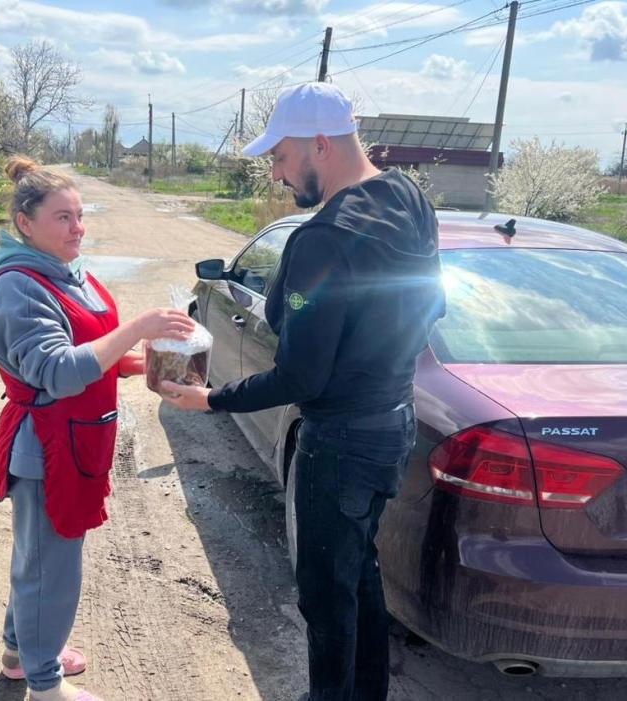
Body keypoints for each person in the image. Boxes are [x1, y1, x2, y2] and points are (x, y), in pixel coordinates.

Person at [161, 82, 445, 701]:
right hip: (394, 423)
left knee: (326, 599)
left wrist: (210, 399)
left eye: (281, 157)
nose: (277, 173)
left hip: (340, 442)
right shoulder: (408, 198)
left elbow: (300, 377)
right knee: (360, 573)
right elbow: (433, 305)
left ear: (320, 145)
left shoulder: (322, 238)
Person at [0, 156, 195, 701]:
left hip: (78, 440)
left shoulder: (70, 272)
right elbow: (55, 369)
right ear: (25, 224)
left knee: (37, 560)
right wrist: (138, 327)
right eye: (62, 218)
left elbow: (87, 349)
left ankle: (19, 657)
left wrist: (136, 360)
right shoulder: (19, 287)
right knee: (50, 571)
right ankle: (46, 685)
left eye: (79, 216)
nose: (78, 228)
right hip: (46, 448)